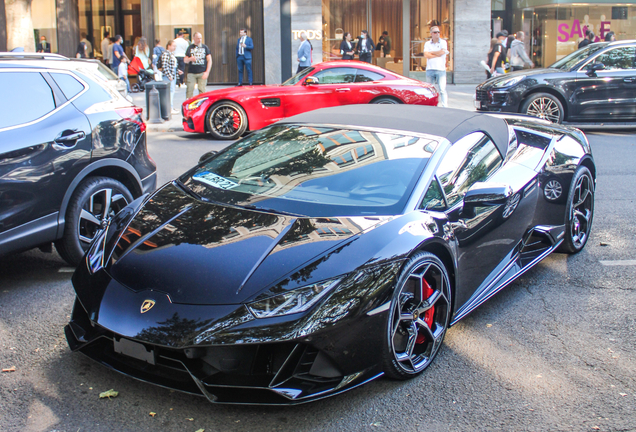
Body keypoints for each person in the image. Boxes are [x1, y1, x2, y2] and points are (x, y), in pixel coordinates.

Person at [424, 25, 449, 107]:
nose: (437, 34)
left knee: (442, 90)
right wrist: (437, 53)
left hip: (440, 69)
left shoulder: (443, 42)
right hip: (430, 69)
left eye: (438, 32)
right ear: (431, 33)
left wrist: (432, 52)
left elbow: (442, 52)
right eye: (435, 32)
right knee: (430, 90)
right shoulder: (427, 43)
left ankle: (445, 106)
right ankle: (431, 105)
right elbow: (426, 55)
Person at [184, 32, 212, 98]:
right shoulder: (190, 48)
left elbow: (209, 60)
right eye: (197, 38)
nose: (199, 40)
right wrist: (190, 59)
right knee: (189, 90)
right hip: (191, 72)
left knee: (202, 90)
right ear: (194, 38)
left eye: (200, 38)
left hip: (202, 72)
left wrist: (207, 72)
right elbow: (185, 60)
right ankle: (188, 104)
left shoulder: (205, 47)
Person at [160, 40, 182, 114]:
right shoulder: (166, 54)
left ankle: (171, 107)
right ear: (168, 46)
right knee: (170, 92)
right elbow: (165, 66)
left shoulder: (171, 54)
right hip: (169, 76)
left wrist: (177, 71)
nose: (174, 47)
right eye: (173, 46)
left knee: (172, 91)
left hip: (172, 74)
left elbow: (172, 66)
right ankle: (169, 108)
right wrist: (169, 76)